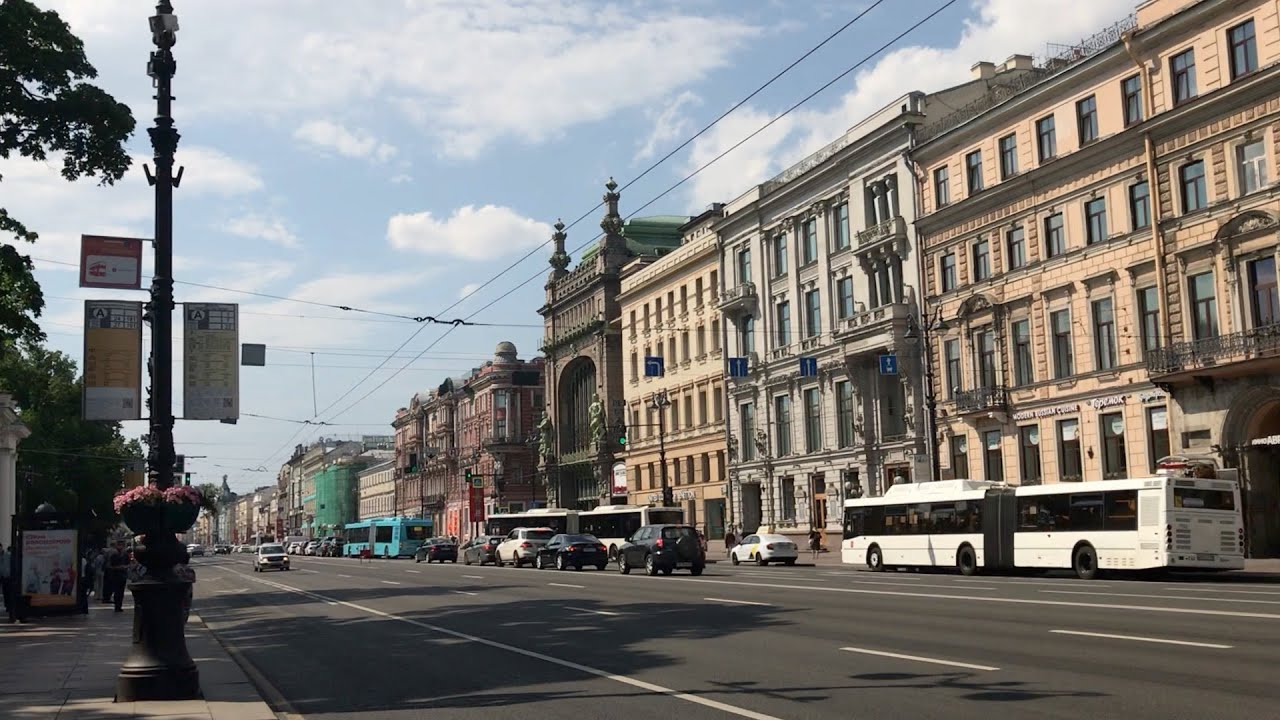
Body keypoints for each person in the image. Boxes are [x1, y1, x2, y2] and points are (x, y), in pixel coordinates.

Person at [105, 540, 129, 612]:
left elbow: (128, 564)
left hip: (123, 576)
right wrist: (119, 567)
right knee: (117, 592)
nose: (120, 547)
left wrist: (125, 567)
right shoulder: (114, 555)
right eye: (119, 545)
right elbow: (110, 566)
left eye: (122, 545)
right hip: (115, 576)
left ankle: (119, 606)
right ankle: (117, 606)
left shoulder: (125, 555)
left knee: (121, 592)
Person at [0, 543, 13, 622]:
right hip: (2, 576)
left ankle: (9, 606)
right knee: (5, 592)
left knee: (8, 591)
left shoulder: (7, 555)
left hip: (8, 576)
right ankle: (7, 605)